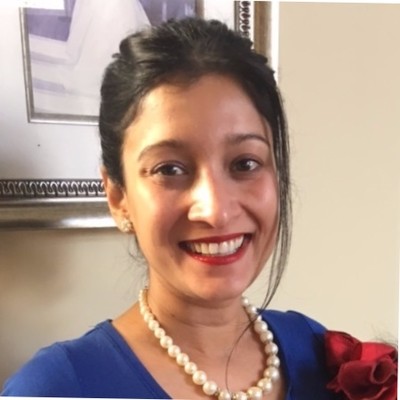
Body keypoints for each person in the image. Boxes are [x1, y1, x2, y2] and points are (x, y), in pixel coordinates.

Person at [1, 18, 396, 400]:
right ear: (118, 197)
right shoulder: (59, 387)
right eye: (169, 169)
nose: (216, 210)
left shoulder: (320, 355)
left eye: (245, 163)